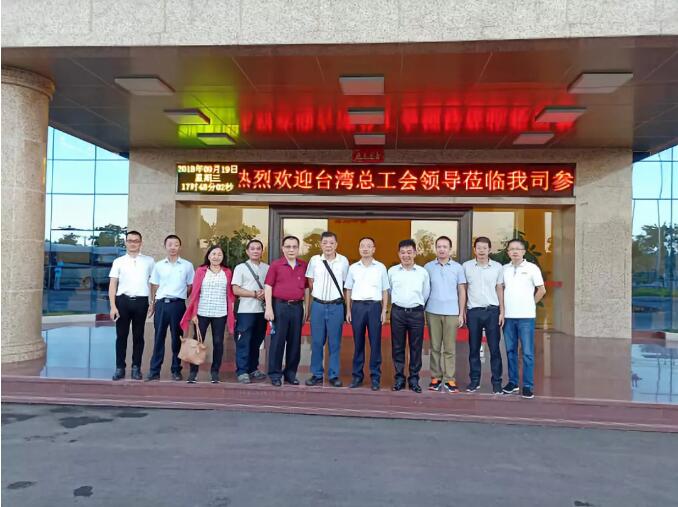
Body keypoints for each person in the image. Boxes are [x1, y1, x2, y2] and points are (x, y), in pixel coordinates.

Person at [180, 245, 235, 384]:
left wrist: (231, 309)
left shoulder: (227, 272)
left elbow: (230, 294)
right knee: (197, 341)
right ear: (209, 256)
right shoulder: (201, 270)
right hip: (202, 312)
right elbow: (195, 293)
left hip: (220, 312)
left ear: (223, 257)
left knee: (218, 342)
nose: (216, 257)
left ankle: (215, 372)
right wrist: (194, 313)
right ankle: (193, 372)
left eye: (219, 254)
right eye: (213, 254)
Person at [146, 235, 195, 381]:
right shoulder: (159, 265)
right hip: (161, 304)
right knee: (158, 338)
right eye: (170, 244)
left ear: (180, 247)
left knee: (177, 339)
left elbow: (190, 286)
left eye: (176, 244)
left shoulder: (187, 265)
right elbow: (154, 285)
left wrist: (181, 297)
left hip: (178, 305)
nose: (173, 247)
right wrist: (153, 303)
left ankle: (176, 369)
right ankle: (154, 370)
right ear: (165, 246)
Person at [501, 238, 546, 399]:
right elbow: (501, 289)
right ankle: (513, 382)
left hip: (526, 317)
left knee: (527, 353)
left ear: (524, 252)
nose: (514, 251)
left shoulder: (532, 268)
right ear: (508, 252)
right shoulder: (504, 269)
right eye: (511, 249)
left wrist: (530, 303)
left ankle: (527, 385)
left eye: (518, 249)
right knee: (510, 351)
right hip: (508, 317)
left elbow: (541, 290)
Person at [108, 230, 155, 381]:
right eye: (130, 241)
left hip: (141, 302)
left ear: (141, 243)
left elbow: (153, 283)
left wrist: (152, 302)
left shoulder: (149, 261)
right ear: (125, 242)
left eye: (136, 241)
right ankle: (120, 368)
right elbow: (113, 284)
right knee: (121, 336)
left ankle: (136, 367)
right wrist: (113, 306)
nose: (133, 243)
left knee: (138, 336)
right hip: (122, 301)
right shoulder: (118, 261)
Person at [305, 231, 349, 388]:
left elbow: (346, 285)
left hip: (336, 306)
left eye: (331, 243)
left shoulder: (343, 261)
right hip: (318, 305)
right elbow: (311, 282)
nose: (328, 246)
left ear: (336, 244)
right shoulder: (314, 260)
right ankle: (316, 374)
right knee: (317, 342)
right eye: (325, 243)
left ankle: (333, 375)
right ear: (320, 244)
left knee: (335, 342)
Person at [264, 235, 309, 387]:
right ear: (283, 248)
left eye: (294, 247)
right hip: (280, 307)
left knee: (295, 342)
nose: (291, 249)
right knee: (277, 341)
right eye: (288, 246)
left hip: (297, 307)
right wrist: (269, 308)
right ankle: (275, 374)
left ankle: (290, 374)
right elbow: (268, 286)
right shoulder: (276, 265)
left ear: (298, 248)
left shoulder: (303, 265)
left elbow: (306, 289)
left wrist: (306, 308)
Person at [345, 237, 389, 391]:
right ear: (359, 249)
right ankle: (357, 376)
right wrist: (348, 310)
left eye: (369, 246)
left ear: (374, 249)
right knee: (358, 343)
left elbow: (385, 290)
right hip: (357, 307)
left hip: (374, 307)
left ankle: (375, 377)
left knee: (375, 343)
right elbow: (348, 290)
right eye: (362, 246)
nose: (365, 248)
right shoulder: (353, 268)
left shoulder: (381, 267)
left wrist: (384, 310)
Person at [424, 236, 466, 394]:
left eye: (445, 247)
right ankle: (435, 377)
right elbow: (424, 289)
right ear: (435, 248)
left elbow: (461, 291)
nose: (442, 249)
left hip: (452, 312)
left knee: (449, 348)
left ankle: (449, 379)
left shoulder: (457, 268)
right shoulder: (428, 267)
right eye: (439, 246)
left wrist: (461, 313)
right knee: (435, 347)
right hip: (432, 311)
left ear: (450, 249)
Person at [462, 236, 504, 394]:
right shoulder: (466, 266)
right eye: (478, 248)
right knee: (473, 348)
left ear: (489, 250)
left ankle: (497, 382)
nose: (481, 251)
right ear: (474, 249)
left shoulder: (497, 267)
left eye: (484, 248)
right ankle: (474, 381)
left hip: (492, 311)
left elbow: (499, 288)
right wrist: (463, 310)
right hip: (474, 312)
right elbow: (464, 289)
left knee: (494, 349)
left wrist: (502, 311)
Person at [388, 239, 431, 393]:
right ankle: (399, 378)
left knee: (416, 347)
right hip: (398, 312)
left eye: (409, 252)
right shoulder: (392, 271)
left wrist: (416, 304)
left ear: (415, 253)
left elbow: (425, 293)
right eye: (403, 252)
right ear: (398, 254)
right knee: (397, 346)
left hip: (416, 313)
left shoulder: (422, 272)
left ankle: (414, 379)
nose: (406, 255)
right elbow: (389, 290)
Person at [231, 239, 269, 384]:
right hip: (245, 311)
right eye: (252, 248)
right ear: (247, 251)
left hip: (262, 311)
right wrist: (254, 294)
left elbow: (270, 287)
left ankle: (253, 368)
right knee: (244, 341)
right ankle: (242, 371)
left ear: (262, 251)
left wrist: (265, 293)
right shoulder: (240, 268)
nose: (255, 251)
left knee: (257, 341)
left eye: (258, 248)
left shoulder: (267, 268)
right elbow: (235, 289)